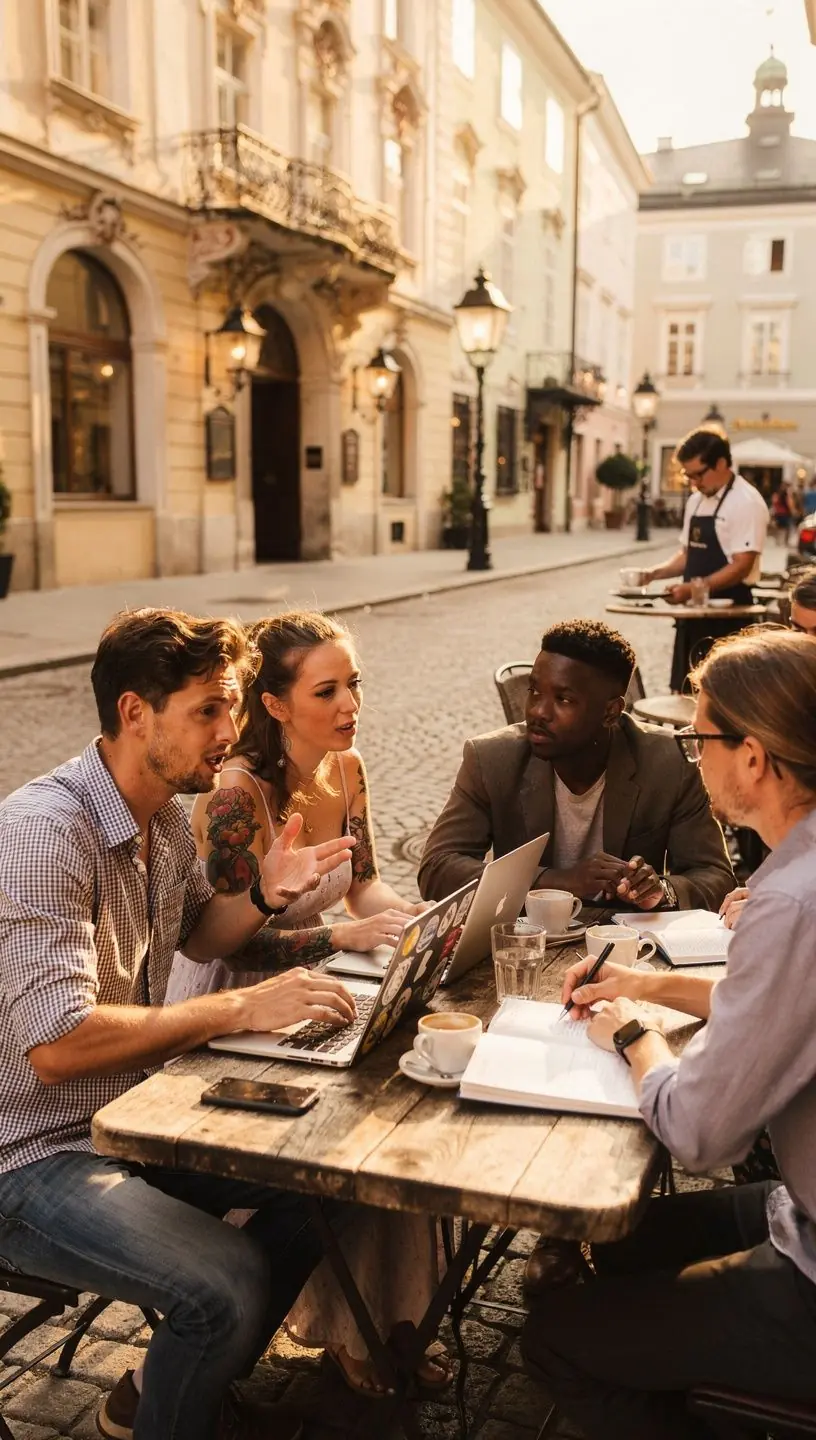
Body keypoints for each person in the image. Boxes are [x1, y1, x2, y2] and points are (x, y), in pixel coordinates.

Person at [0, 608, 361, 1440]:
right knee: (225, 1282)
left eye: (230, 709)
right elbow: (57, 1047)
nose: (228, 733)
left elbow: (203, 932)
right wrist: (236, 1007)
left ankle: (184, 1387)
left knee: (330, 1183)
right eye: (208, 710)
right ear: (136, 713)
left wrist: (267, 891)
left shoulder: (159, 813)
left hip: (127, 1122)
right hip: (30, 1156)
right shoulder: (44, 831)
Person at [522, 626, 816, 1440]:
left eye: (701, 737)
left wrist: (629, 1035)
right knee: (625, 1239)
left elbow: (700, 1133)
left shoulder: (789, 899)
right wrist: (647, 984)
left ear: (754, 758)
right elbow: (787, 1001)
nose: (692, 754)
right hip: (801, 1208)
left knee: (553, 1342)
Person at [166, 611, 450, 1400]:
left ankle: (385, 1322)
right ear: (277, 704)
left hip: (325, 980)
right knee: (342, 1144)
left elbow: (361, 884)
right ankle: (323, 1333)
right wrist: (348, 937)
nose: (351, 702)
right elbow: (229, 946)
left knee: (401, 1114)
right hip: (237, 1006)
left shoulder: (347, 765)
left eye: (353, 682)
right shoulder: (234, 798)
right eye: (327, 689)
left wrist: (408, 926)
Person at [419, 619, 734, 915]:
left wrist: (662, 891)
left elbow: (716, 876)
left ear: (611, 712)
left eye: (564, 699)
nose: (538, 711)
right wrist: (556, 881)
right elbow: (437, 867)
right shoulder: (491, 758)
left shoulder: (669, 762)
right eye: (534, 691)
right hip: (524, 945)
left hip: (626, 950)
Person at [641, 429, 769, 692]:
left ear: (721, 463)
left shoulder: (746, 501)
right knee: (684, 692)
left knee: (724, 696)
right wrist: (654, 573)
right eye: (688, 476)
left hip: (730, 615)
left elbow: (742, 564)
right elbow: (688, 554)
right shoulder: (696, 501)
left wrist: (694, 588)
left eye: (698, 474)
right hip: (693, 615)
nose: (694, 483)